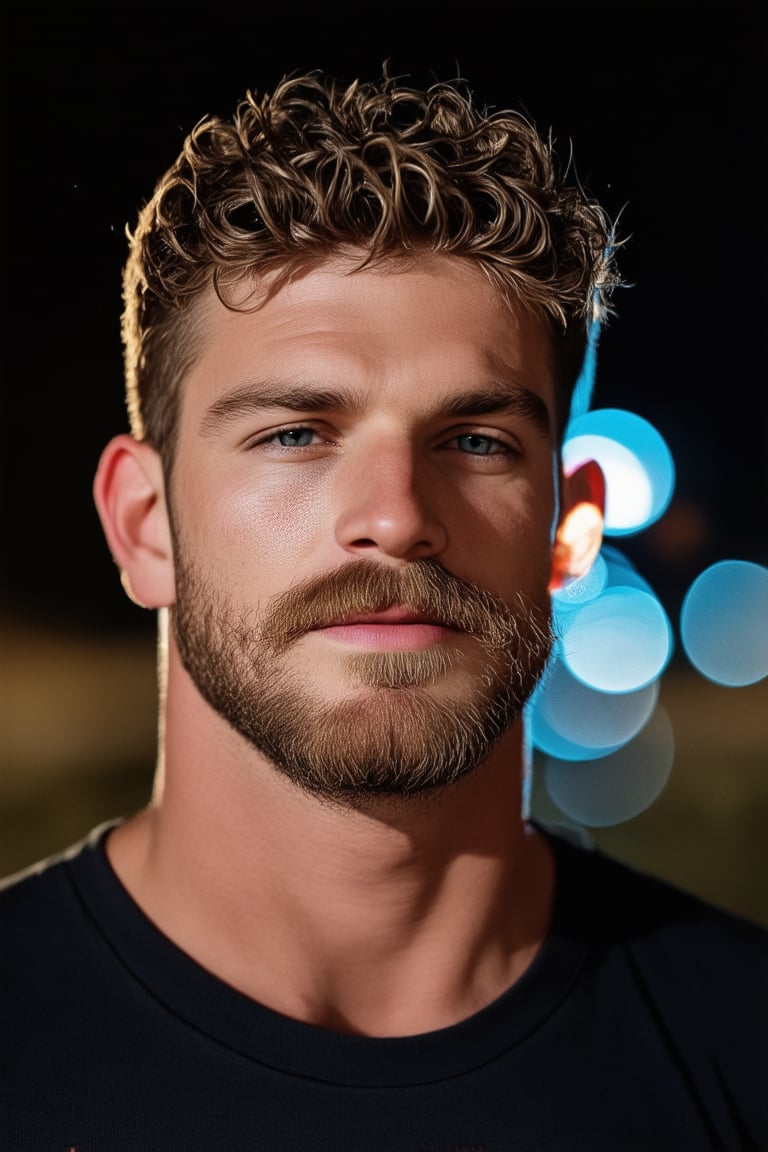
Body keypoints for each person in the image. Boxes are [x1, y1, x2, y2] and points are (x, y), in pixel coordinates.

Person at [1, 67, 766, 1152]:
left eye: (476, 442)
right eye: (296, 434)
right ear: (144, 524)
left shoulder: (743, 1049)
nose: (397, 517)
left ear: (568, 527)